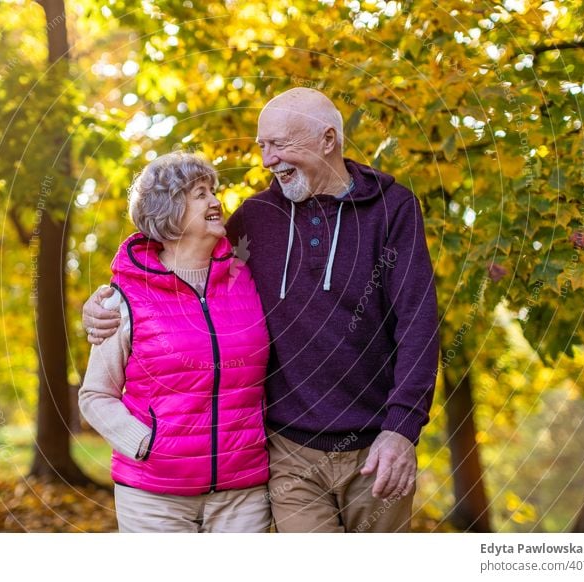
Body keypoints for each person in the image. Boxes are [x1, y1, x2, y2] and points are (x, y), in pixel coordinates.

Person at [84, 88, 439, 533]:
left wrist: (402, 428)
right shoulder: (257, 216)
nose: (268, 160)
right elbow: (177, 259)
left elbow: (418, 322)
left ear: (328, 140)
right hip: (287, 449)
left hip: (376, 444)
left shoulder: (393, 208)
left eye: (280, 144)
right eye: (262, 147)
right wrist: (104, 302)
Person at [78, 152, 272, 533]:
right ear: (168, 210)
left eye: (213, 191)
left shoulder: (247, 278)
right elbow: (95, 394)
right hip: (153, 497)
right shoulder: (126, 296)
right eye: (201, 193)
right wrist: (144, 445)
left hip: (243, 493)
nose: (216, 202)